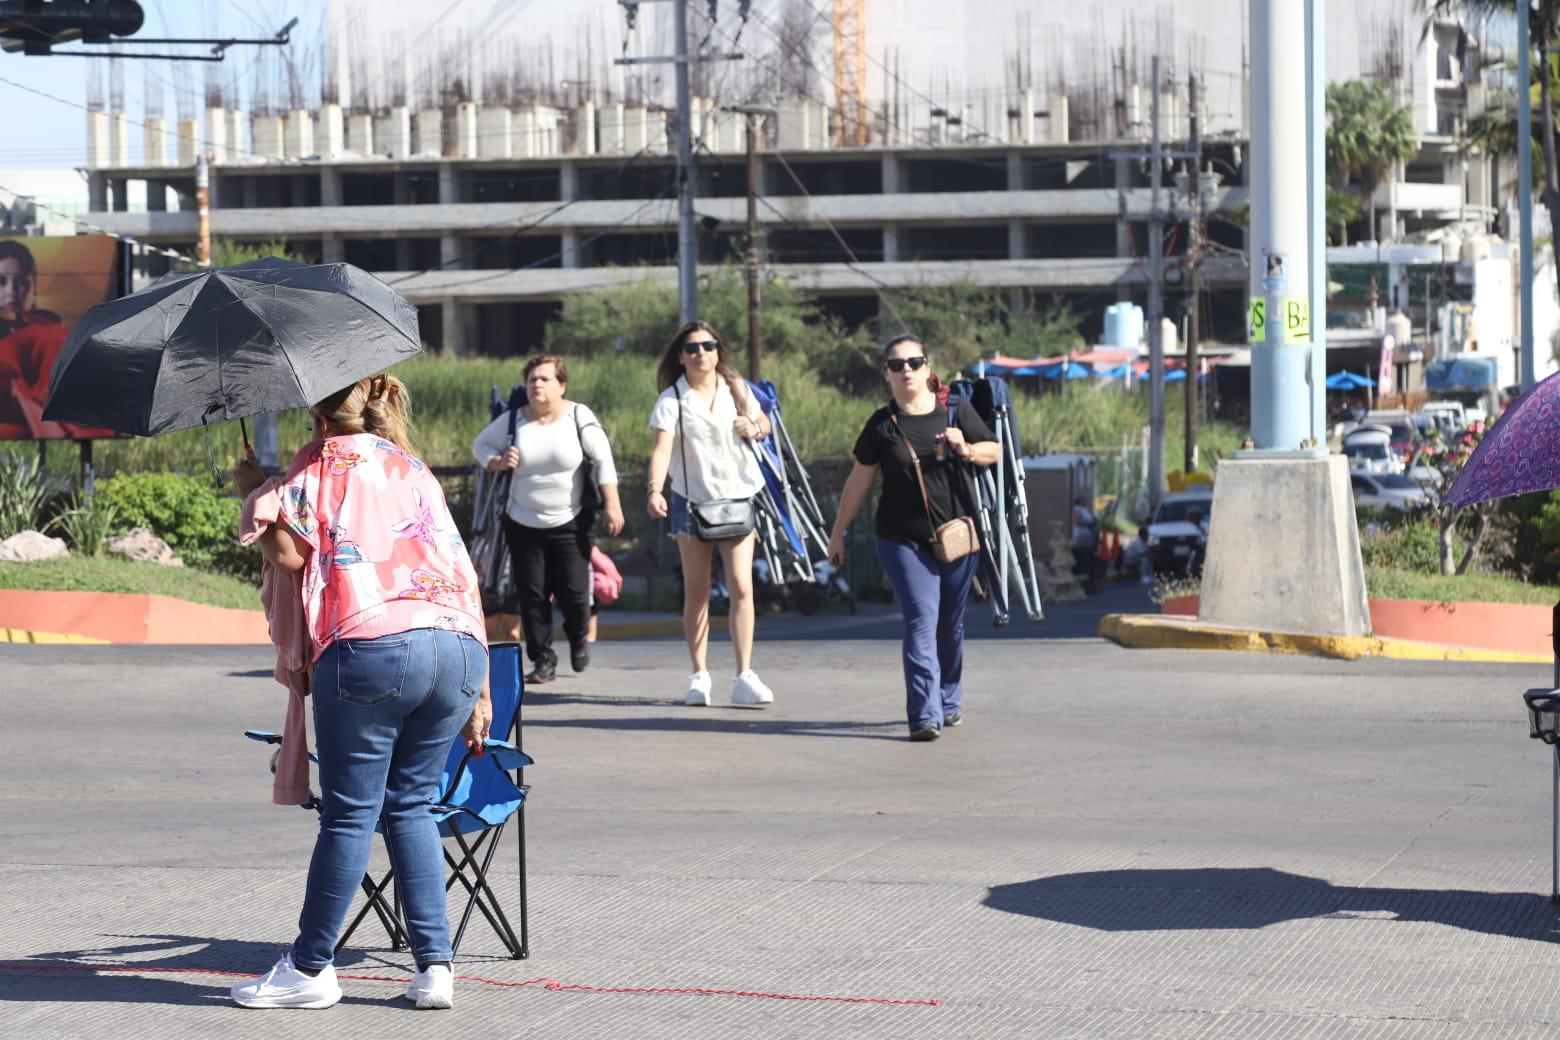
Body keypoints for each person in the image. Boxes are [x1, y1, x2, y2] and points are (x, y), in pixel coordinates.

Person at [229, 374, 490, 1012]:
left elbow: (290, 556)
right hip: (459, 647)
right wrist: (481, 691)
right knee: (412, 807)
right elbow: (459, 566)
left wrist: (253, 492)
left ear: (317, 414)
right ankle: (435, 969)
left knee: (350, 814)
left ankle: (310, 968)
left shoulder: (318, 462)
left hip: (372, 645)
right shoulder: (413, 467)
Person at [827, 334, 999, 742]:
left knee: (949, 625)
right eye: (897, 365)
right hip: (901, 539)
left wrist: (966, 449)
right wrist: (837, 534)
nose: (906, 370)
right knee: (921, 620)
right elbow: (858, 482)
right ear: (886, 374)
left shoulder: (954, 411)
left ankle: (948, 698)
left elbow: (994, 450)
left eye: (914, 363)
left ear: (927, 369)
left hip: (957, 537)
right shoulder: (881, 425)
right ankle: (924, 715)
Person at [645, 320, 776, 708]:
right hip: (691, 500)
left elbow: (765, 421)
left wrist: (754, 426)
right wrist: (654, 490)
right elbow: (661, 450)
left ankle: (744, 674)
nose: (700, 353)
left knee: (742, 586)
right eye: (692, 348)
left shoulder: (736, 387)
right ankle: (699, 674)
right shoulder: (672, 399)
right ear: (680, 357)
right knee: (698, 589)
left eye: (708, 346)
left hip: (738, 496)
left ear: (718, 351)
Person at [472, 355, 623, 684]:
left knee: (574, 593)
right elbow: (479, 445)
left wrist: (613, 503)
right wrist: (497, 460)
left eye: (544, 379)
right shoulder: (513, 420)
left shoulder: (579, 416)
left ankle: (578, 636)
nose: (536, 385)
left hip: (571, 521)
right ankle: (543, 659)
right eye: (531, 380)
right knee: (532, 595)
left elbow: (603, 459)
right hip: (522, 522)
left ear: (562, 385)